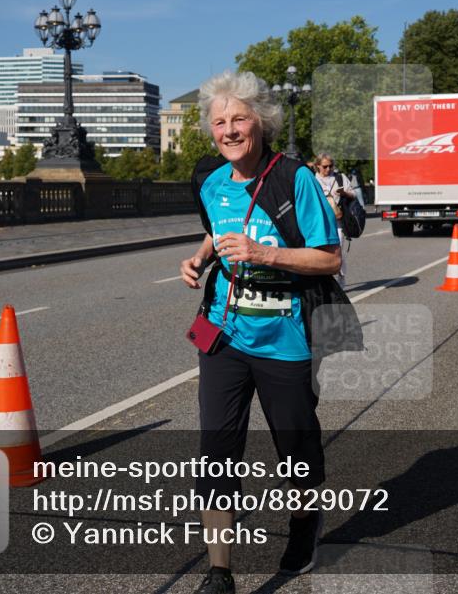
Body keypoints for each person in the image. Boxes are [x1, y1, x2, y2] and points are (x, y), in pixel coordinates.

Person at [181, 70, 344, 593]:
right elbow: (217, 228)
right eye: (219, 121)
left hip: (286, 341)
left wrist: (264, 253)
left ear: (261, 122)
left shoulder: (293, 179)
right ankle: (219, 572)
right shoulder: (209, 181)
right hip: (224, 337)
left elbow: (330, 258)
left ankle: (304, 522)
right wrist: (200, 257)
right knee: (216, 451)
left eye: (239, 119)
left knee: (296, 454)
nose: (229, 130)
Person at [314, 154, 356, 288]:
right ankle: (325, 282)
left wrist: (344, 193)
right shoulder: (312, 180)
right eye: (325, 166)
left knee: (339, 252)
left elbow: (353, 194)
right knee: (320, 252)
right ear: (318, 166)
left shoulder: (340, 178)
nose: (328, 169)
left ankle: (341, 280)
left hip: (338, 221)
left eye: (330, 166)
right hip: (320, 222)